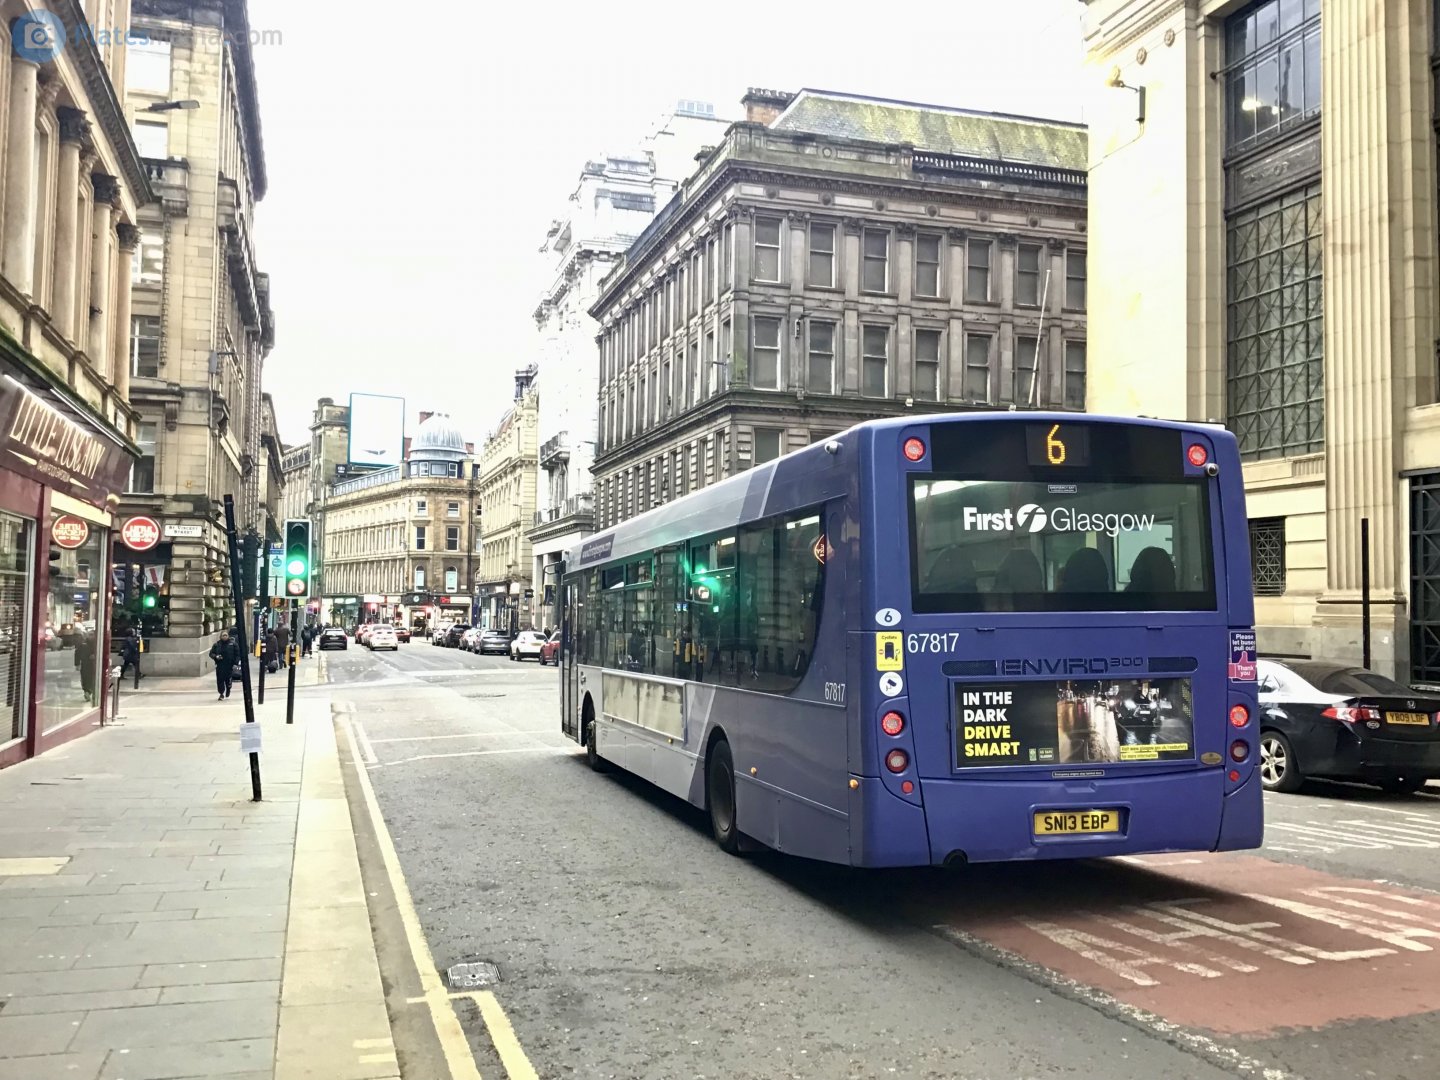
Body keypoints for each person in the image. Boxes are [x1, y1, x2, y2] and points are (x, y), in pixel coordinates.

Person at [209, 631, 240, 700]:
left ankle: (228, 688)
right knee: (220, 680)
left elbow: (237, 654)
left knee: (228, 680)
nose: (225, 636)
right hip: (220, 666)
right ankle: (221, 693)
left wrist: (236, 663)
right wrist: (216, 656)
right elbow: (211, 653)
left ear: (228, 636)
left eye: (226, 635)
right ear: (221, 636)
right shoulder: (217, 645)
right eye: (223, 635)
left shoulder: (233, 644)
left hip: (230, 666)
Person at [74, 628, 96, 703]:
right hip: (85, 664)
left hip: (94, 665)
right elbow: (77, 654)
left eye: (92, 635)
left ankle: (91, 691)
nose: (91, 636)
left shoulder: (97, 644)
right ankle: (87, 691)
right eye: (89, 635)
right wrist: (77, 664)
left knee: (93, 678)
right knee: (85, 678)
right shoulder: (83, 644)